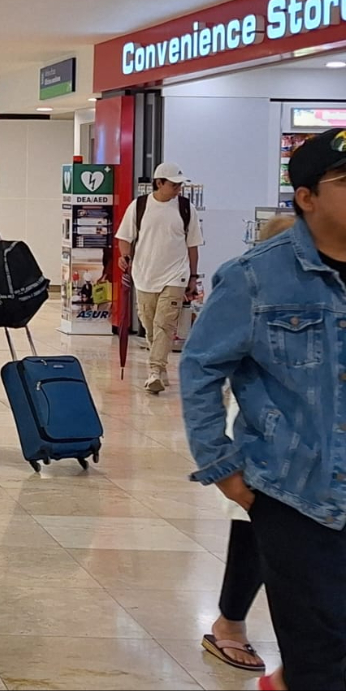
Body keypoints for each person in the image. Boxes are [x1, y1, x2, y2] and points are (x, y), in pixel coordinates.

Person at [182, 129, 346, 691]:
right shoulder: (256, 276)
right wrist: (220, 463)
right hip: (294, 493)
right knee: (319, 659)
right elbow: (201, 366)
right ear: (306, 196)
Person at [200, 214, 296, 676]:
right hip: (266, 443)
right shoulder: (250, 294)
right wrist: (218, 459)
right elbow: (204, 370)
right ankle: (231, 624)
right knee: (258, 532)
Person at [115, 162, 204, 394]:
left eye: (179, 185)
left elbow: (193, 245)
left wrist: (193, 276)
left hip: (176, 275)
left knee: (164, 323)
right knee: (149, 324)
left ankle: (154, 370)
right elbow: (124, 237)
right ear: (159, 183)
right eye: (173, 185)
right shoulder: (139, 207)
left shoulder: (186, 208)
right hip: (144, 274)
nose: (178, 189)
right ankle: (160, 367)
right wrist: (124, 256)